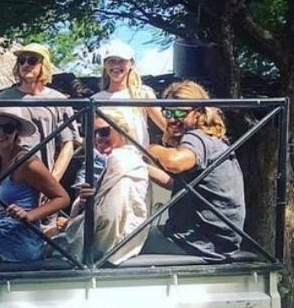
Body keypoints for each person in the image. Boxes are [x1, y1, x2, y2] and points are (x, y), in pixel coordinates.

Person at [144, 80, 245, 260]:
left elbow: (175, 162)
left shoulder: (196, 137)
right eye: (168, 112)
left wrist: (147, 148)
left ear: (198, 113)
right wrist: (140, 165)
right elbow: (176, 184)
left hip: (197, 243)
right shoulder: (215, 140)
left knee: (122, 241)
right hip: (219, 242)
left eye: (179, 112)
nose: (172, 119)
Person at [0, 107, 69, 262]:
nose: (0, 133)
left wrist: (29, 215)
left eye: (8, 128)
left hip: (19, 240)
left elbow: (63, 198)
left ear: (16, 132)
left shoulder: (27, 162)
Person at [58, 107, 150, 264]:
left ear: (121, 131)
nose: (98, 138)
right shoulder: (109, 159)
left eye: (104, 132)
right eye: (93, 134)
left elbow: (111, 215)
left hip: (110, 248)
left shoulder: (120, 160)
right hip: (113, 243)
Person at [0, 43, 77, 182]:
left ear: (43, 65)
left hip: (42, 177)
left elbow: (68, 144)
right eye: (22, 60)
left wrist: (53, 180)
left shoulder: (58, 100)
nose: (26, 64)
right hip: (6, 177)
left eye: (32, 60)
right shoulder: (3, 98)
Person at [93, 39, 166, 147]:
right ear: (105, 64)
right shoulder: (95, 99)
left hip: (136, 158)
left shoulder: (142, 94)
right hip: (104, 160)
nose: (116, 65)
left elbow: (164, 125)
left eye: (121, 61)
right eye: (111, 61)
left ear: (131, 63)